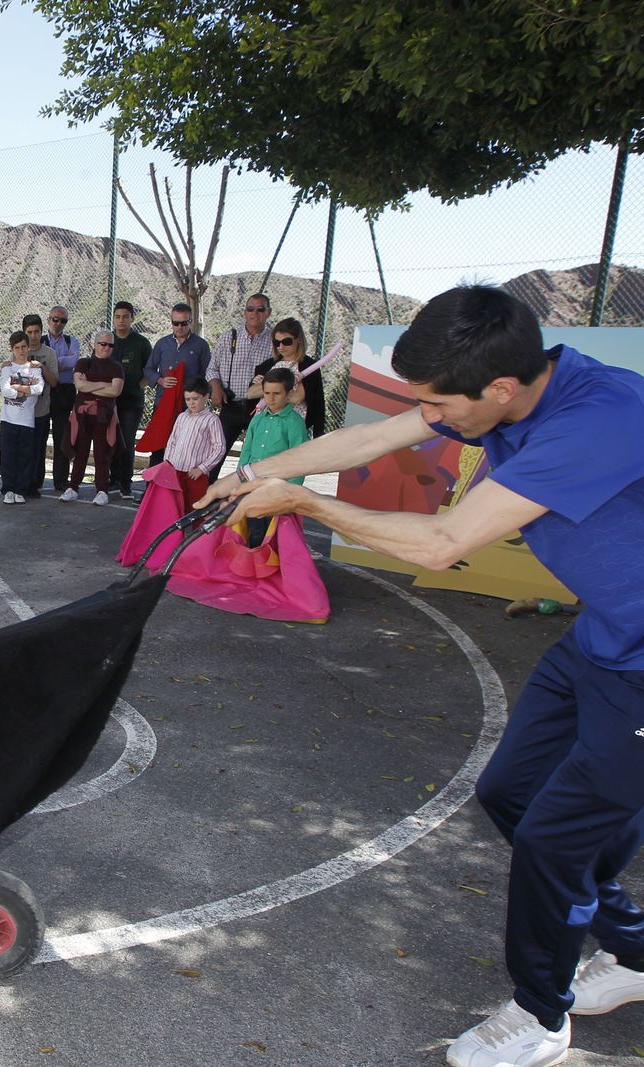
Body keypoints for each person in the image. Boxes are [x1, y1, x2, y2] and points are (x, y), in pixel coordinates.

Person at [198, 286, 644, 1067]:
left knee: (555, 836)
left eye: (437, 403)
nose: (427, 416)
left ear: (498, 389)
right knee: (511, 792)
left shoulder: (597, 420)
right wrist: (253, 472)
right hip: (605, 637)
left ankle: (540, 1015)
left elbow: (443, 542)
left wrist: (304, 504)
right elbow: (371, 440)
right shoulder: (499, 390)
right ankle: (634, 949)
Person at [233, 367, 307, 546]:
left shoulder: (295, 423)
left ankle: (271, 562)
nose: (271, 398)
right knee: (255, 531)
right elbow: (247, 452)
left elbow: (300, 460)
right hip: (254, 486)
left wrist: (290, 492)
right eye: (266, 393)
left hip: (278, 489)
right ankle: (255, 560)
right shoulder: (257, 419)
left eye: (277, 393)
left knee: (275, 533)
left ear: (289, 394)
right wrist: (241, 480)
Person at [207, 292, 275, 479]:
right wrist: (216, 388)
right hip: (231, 405)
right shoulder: (229, 337)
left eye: (260, 309)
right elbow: (212, 369)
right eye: (250, 309)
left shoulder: (275, 341)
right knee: (215, 454)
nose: (255, 313)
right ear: (244, 312)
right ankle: (206, 493)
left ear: (268, 312)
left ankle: (247, 494)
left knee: (255, 459)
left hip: (261, 409)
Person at [61, 327, 124, 506]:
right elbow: (80, 386)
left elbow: (115, 391)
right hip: (82, 415)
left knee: (102, 454)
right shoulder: (83, 363)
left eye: (110, 345)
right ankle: (73, 487)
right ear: (95, 344)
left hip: (104, 416)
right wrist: (104, 384)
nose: (106, 348)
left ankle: (102, 490)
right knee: (80, 452)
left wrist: (90, 384)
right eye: (103, 344)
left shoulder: (116, 367)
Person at [143, 302, 210, 466]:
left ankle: (180, 481)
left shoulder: (201, 345)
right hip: (163, 403)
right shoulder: (162, 344)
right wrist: (160, 380)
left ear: (191, 322)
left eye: (184, 323)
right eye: (176, 323)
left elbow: (208, 373)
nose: (179, 327)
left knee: (185, 447)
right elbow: (148, 369)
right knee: (159, 446)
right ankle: (153, 481)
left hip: (189, 406)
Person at [246, 316, 327, 439]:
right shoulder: (267, 365)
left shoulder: (309, 367)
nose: (281, 347)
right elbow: (250, 393)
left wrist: (266, 387)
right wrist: (285, 387)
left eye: (287, 342)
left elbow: (298, 398)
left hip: (292, 428)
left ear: (298, 339)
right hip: (264, 426)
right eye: (277, 342)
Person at [108, 301, 153, 499]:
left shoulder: (141, 343)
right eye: (118, 316)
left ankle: (125, 483)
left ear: (132, 318)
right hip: (110, 401)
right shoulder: (107, 340)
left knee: (126, 441)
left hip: (132, 402)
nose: (121, 320)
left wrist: (140, 385)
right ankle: (113, 480)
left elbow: (151, 369)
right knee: (111, 440)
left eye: (125, 316)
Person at [161, 380, 227, 509]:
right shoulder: (182, 417)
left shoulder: (212, 420)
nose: (191, 403)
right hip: (175, 470)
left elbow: (219, 448)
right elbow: (172, 441)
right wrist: (167, 463)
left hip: (196, 474)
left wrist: (202, 468)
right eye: (188, 399)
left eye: (195, 399)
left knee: (196, 506)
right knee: (175, 506)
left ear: (206, 396)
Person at [0, 331, 44, 504]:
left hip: (27, 420)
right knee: (8, 456)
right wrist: (26, 388)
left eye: (24, 346)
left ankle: (20, 490)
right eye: (17, 347)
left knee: (25, 457)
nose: (21, 350)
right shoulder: (7, 367)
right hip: (8, 419)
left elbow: (39, 389)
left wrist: (16, 386)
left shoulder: (34, 368)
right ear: (12, 349)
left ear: (28, 347)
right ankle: (8, 489)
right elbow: (6, 390)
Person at [22, 313, 61, 498]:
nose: (33, 336)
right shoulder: (19, 351)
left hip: (41, 410)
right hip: (22, 411)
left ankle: (35, 483)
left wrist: (42, 367)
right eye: (29, 332)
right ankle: (21, 481)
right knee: (23, 448)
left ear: (41, 332)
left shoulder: (49, 353)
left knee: (38, 448)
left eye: (36, 332)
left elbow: (54, 381)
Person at [44, 305, 82, 492]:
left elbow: (74, 361)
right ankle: (34, 479)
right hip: (43, 391)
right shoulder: (40, 340)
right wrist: (62, 361)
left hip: (64, 391)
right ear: (48, 320)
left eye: (63, 320)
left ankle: (60, 479)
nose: (58, 323)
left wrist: (49, 362)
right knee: (39, 436)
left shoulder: (71, 341)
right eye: (55, 319)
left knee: (62, 436)